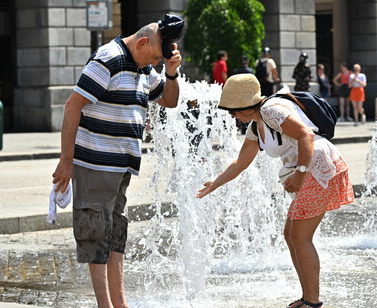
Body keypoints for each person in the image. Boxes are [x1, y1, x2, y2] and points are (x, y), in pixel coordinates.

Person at [51, 15, 184, 307]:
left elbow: (169, 101)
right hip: (95, 163)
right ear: (142, 42)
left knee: (114, 231)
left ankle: (119, 302)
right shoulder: (108, 59)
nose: (153, 64)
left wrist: (171, 73)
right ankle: (105, 304)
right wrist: (66, 160)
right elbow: (73, 106)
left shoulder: (144, 65)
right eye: (153, 57)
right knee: (94, 233)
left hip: (121, 166)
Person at [197, 74, 354, 308]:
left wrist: (300, 172)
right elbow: (240, 163)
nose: (232, 116)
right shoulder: (256, 124)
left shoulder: (271, 110)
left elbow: (306, 135)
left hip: (318, 167)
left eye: (233, 110)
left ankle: (313, 301)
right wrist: (215, 183)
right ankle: (307, 297)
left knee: (300, 237)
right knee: (291, 235)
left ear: (245, 105)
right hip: (311, 170)